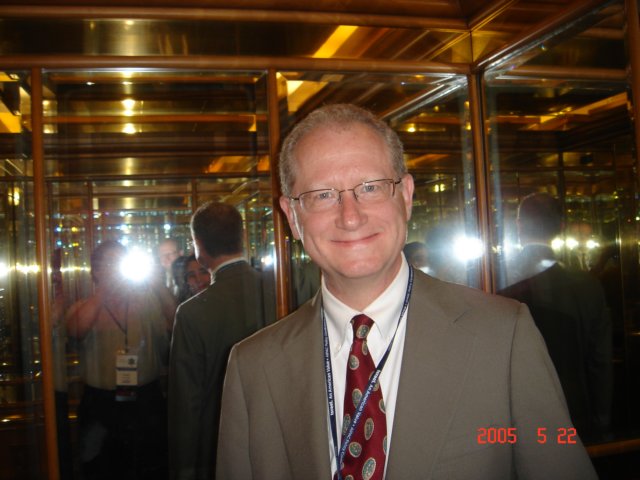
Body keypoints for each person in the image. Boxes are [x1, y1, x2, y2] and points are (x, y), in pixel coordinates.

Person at [216, 104, 597, 479]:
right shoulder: (252, 368)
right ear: (292, 216)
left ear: (407, 195)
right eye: (322, 195)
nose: (350, 216)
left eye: (371, 187)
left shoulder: (503, 336)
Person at [168, 202, 275, 480]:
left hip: (217, 448)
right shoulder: (279, 290)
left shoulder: (192, 312)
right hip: (277, 439)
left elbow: (186, 407)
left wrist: (183, 469)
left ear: (198, 246)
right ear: (243, 237)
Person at [499, 192, 613, 443]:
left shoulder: (498, 280)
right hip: (574, 410)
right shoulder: (588, 286)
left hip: (512, 417)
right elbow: (600, 361)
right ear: (561, 227)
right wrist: (601, 421)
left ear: (519, 226)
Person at [65, 240, 176, 480]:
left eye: (119, 263)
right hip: (100, 404)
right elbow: (75, 330)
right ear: (95, 271)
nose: (116, 269)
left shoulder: (146, 301)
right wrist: (104, 290)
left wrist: (157, 285)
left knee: (150, 469)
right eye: (109, 264)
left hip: (145, 400)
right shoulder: (85, 307)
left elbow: (176, 320)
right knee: (100, 469)